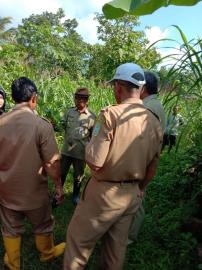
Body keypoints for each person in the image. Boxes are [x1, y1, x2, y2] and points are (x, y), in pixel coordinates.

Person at [63, 63, 163, 270]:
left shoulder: (110, 114)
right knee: (115, 251)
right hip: (131, 195)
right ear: (141, 89)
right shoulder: (154, 121)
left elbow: (95, 161)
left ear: (118, 87)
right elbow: (153, 166)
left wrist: (91, 145)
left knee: (78, 243)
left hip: (104, 193)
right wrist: (140, 189)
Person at [0, 77, 65, 270]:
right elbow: (52, 163)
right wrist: (59, 187)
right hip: (34, 192)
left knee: (10, 227)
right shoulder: (41, 125)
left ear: (12, 97)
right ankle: (47, 254)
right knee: (43, 224)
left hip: (5, 190)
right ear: (33, 98)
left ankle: (13, 263)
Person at [128, 70, 166, 243]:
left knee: (138, 196)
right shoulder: (154, 104)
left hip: (143, 160)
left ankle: (130, 235)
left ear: (143, 88)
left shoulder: (148, 107)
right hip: (147, 157)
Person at [60, 87, 96, 205]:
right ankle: (58, 193)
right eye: (77, 97)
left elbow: (93, 136)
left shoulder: (91, 117)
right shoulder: (69, 112)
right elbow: (62, 126)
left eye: (82, 98)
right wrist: (53, 124)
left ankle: (75, 195)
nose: (79, 100)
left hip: (80, 153)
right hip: (66, 151)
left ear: (86, 100)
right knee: (62, 173)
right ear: (75, 98)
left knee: (78, 176)